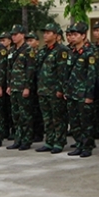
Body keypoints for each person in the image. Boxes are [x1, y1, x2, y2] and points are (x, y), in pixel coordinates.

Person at [64, 23, 97, 157]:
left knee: (86, 122)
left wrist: (89, 94)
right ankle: (78, 144)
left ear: (83, 36)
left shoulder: (89, 54)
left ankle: (87, 147)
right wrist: (66, 91)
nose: (73, 37)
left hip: (83, 94)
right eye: (71, 35)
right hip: (72, 93)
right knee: (75, 122)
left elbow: (92, 76)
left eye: (76, 34)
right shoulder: (71, 53)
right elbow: (66, 74)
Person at [36, 24, 69, 153]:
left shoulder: (62, 50)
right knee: (47, 118)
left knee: (58, 117)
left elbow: (63, 72)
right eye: (44, 32)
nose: (45, 35)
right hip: (43, 90)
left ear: (56, 35)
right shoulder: (43, 50)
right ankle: (49, 141)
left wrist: (61, 89)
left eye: (49, 33)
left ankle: (59, 142)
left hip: (55, 90)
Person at [6, 25, 37, 151]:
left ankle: (26, 140)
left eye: (16, 34)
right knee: (16, 116)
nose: (13, 36)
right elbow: (9, 69)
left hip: (23, 87)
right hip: (14, 87)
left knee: (26, 116)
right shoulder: (12, 50)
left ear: (22, 35)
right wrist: (8, 85)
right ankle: (18, 139)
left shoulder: (28, 50)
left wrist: (27, 87)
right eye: (12, 34)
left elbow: (30, 70)